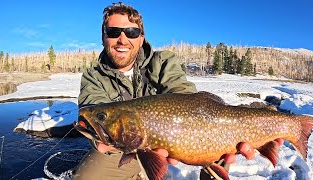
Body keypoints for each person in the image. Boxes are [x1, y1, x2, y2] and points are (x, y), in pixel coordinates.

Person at [74, 2, 283, 180]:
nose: (122, 39)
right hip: (121, 148)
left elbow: (183, 94)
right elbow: (92, 114)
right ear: (103, 37)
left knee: (215, 136)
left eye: (131, 32)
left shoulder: (163, 62)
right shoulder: (93, 76)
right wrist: (102, 138)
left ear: (141, 37)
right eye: (113, 32)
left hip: (182, 138)